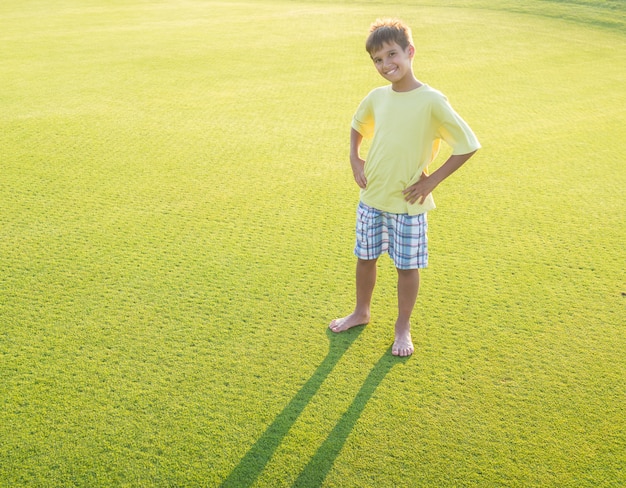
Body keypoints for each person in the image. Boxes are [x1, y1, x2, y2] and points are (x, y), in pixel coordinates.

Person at [329, 18, 481, 357]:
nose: (386, 65)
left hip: (408, 203)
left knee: (406, 267)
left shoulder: (432, 100)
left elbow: (468, 144)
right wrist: (355, 159)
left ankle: (402, 327)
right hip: (372, 196)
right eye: (378, 60)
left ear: (410, 51)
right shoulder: (377, 97)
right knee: (365, 258)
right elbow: (357, 125)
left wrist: (432, 180)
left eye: (392, 54)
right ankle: (361, 312)